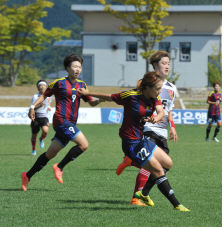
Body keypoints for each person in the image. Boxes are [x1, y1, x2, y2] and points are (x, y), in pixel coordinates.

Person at [78, 71, 190, 212]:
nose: (159, 91)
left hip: (141, 139)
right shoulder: (130, 96)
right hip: (131, 142)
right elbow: (108, 97)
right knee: (158, 170)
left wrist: (156, 117)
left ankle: (142, 193)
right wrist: (86, 93)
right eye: (157, 89)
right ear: (147, 87)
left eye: (160, 89)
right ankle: (177, 205)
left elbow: (161, 111)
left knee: (168, 163)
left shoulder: (155, 97)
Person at [21, 54, 103, 191]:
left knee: (50, 154)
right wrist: (32, 107)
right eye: (75, 66)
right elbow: (44, 95)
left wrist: (100, 100)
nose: (78, 69)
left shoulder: (82, 85)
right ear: (67, 68)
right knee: (84, 145)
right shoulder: (59, 83)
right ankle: (59, 167)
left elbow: (92, 103)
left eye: (80, 67)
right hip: (61, 121)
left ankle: (27, 175)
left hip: (71, 123)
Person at [116, 50, 178, 206]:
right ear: (155, 65)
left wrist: (172, 127)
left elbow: (168, 110)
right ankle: (136, 198)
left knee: (164, 165)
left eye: (169, 63)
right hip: (147, 127)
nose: (167, 66)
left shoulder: (172, 88)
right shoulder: (144, 83)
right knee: (151, 162)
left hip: (162, 129)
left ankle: (143, 192)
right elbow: (136, 102)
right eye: (164, 63)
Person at [29, 80, 52, 156]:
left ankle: (41, 139)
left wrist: (48, 107)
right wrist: (39, 106)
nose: (42, 86)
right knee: (34, 135)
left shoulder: (49, 96)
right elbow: (32, 108)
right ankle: (34, 149)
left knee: (45, 131)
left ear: (46, 87)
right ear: (38, 88)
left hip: (44, 117)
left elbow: (49, 103)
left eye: (43, 85)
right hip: (36, 117)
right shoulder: (35, 96)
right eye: (40, 85)